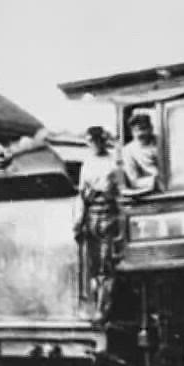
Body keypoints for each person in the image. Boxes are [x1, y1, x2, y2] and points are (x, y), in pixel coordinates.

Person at [75, 126, 124, 297]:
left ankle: (106, 302)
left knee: (107, 260)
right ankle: (96, 298)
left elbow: (118, 186)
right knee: (93, 262)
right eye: (92, 141)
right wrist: (79, 220)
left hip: (109, 212)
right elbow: (82, 192)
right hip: (92, 214)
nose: (95, 144)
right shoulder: (87, 163)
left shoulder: (113, 161)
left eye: (98, 140)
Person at [119, 112, 161, 197]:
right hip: (153, 192)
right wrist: (154, 181)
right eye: (136, 130)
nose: (140, 134)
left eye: (143, 129)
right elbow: (134, 181)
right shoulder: (128, 151)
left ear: (151, 128)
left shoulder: (162, 141)